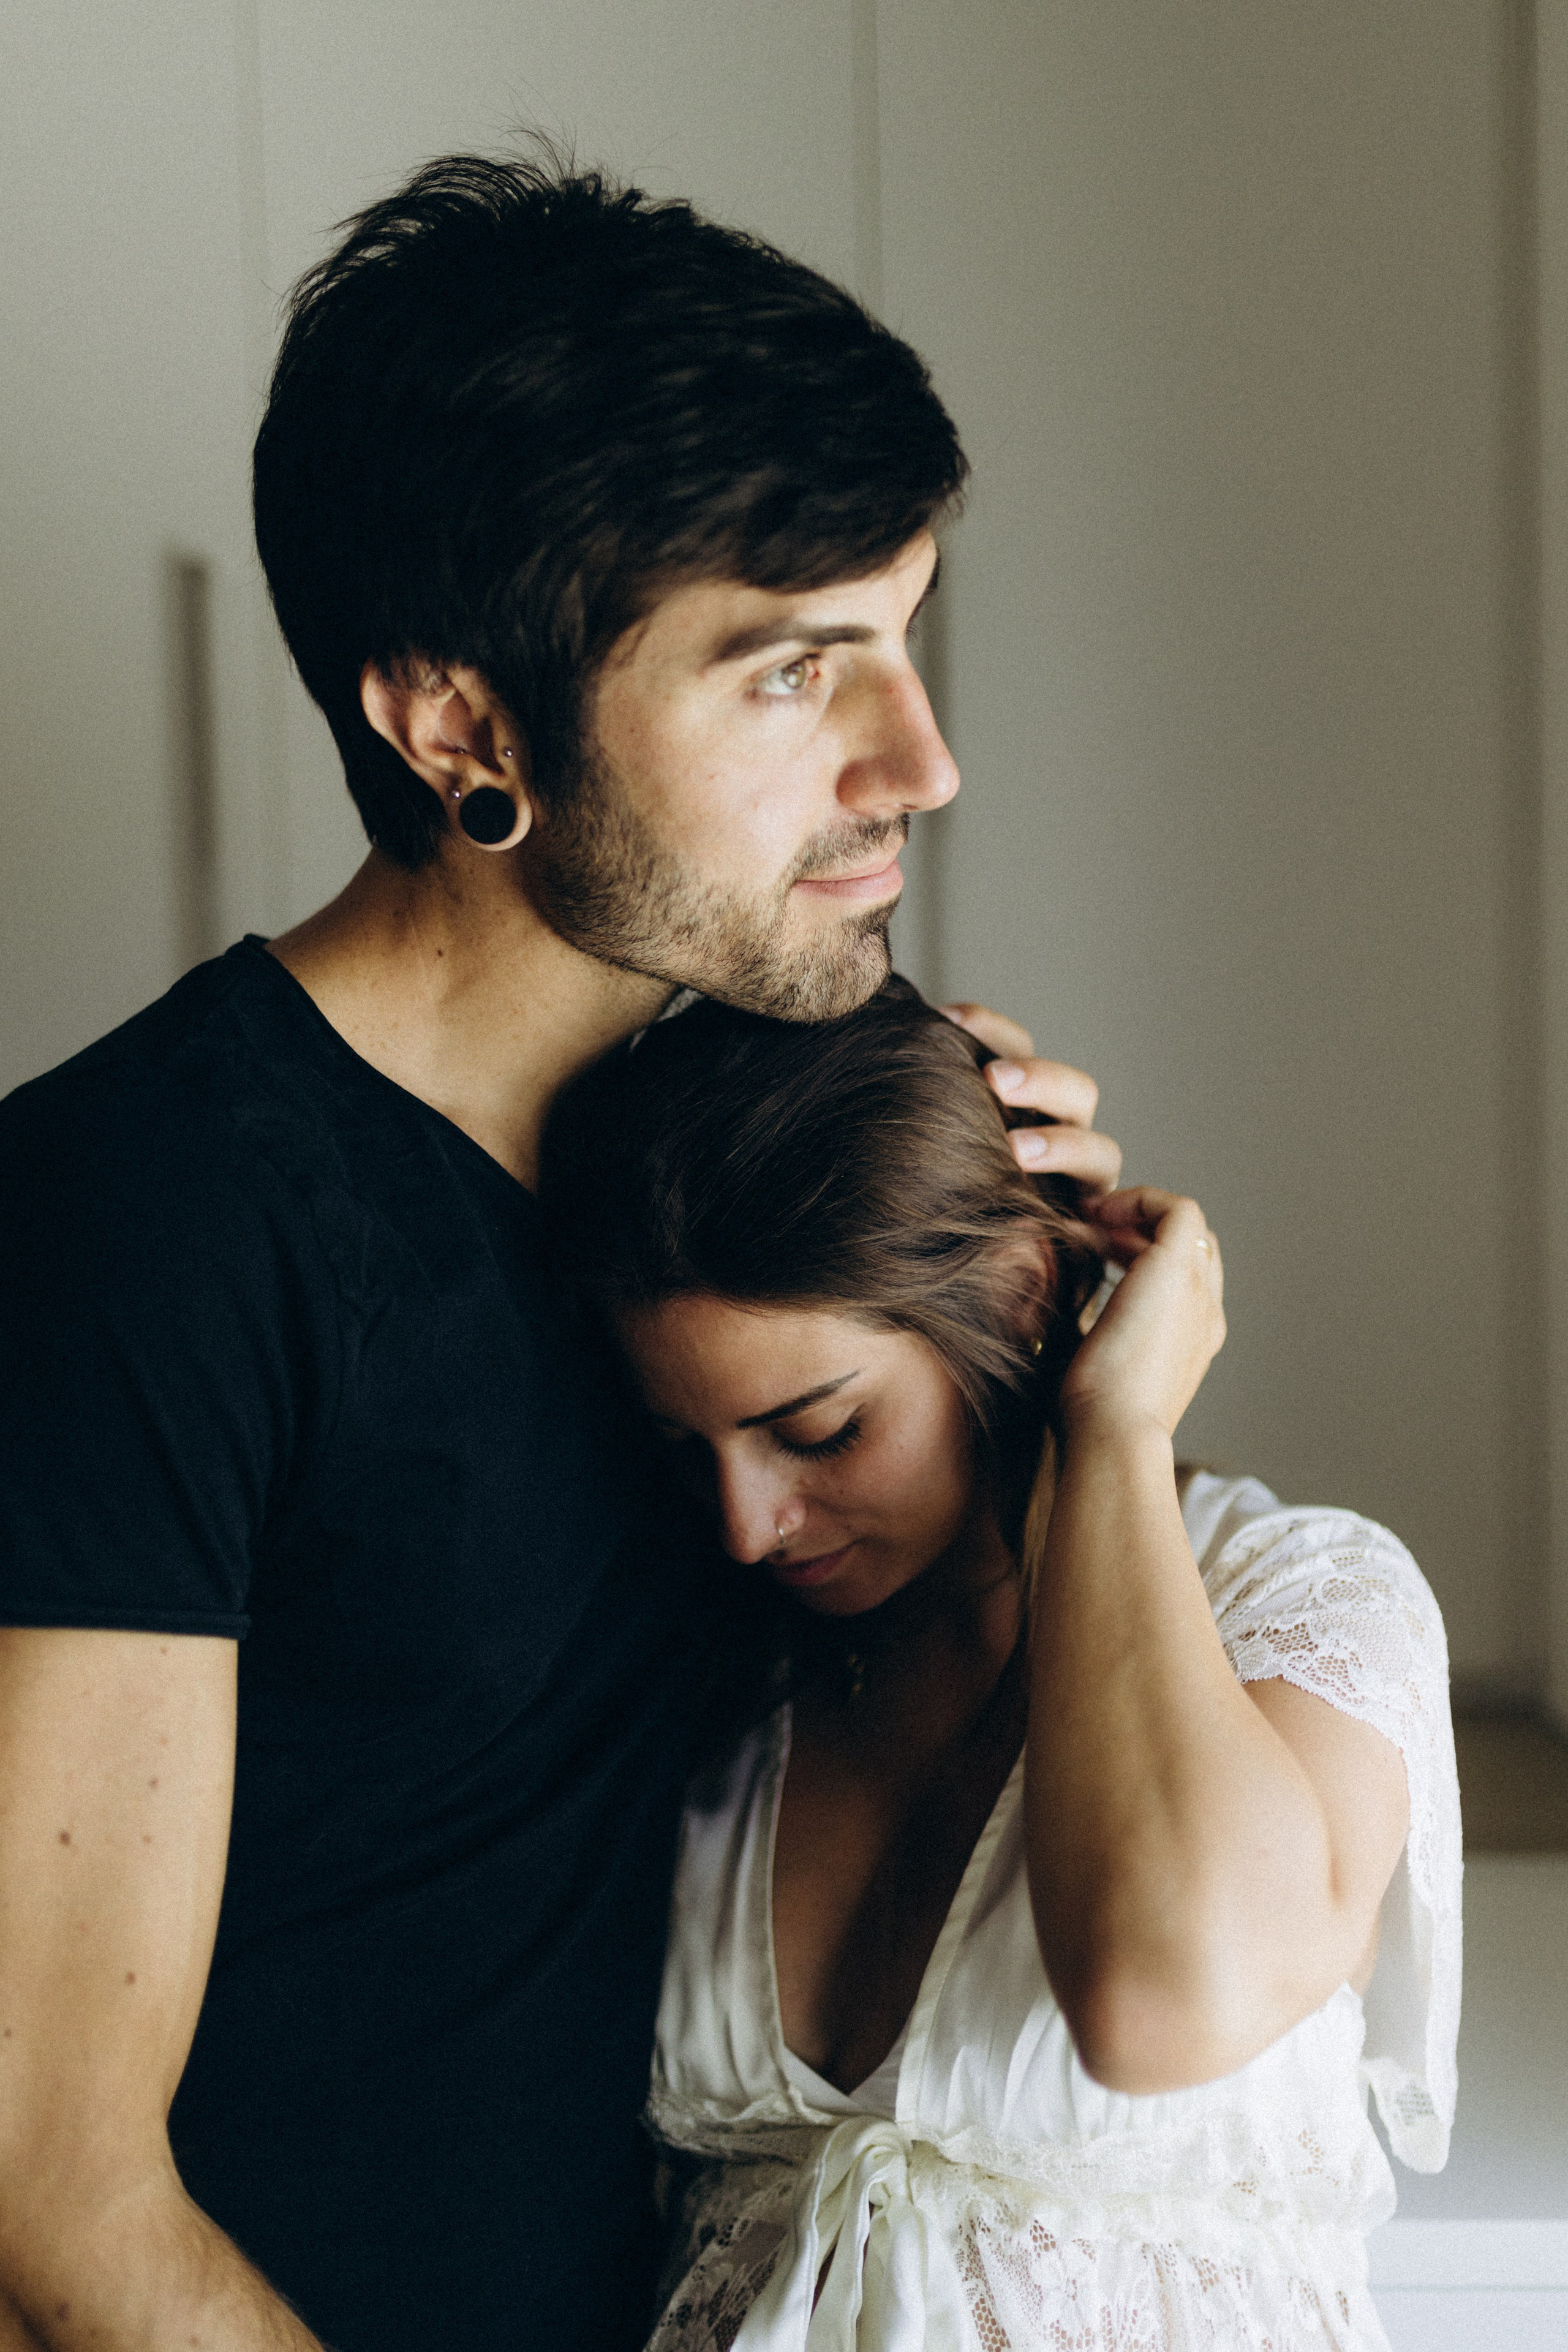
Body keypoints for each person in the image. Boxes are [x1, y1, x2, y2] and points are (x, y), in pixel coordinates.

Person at [0, 153, 1122, 2352]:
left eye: (902, 640)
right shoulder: (136, 1221)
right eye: (797, 677)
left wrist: (1038, 1344)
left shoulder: (747, 1157)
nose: (926, 761)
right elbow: (51, 2201)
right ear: (460, 728)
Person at [538, 980, 1461, 2352]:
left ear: (1022, 1294)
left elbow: (1162, 1999)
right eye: (691, 1450)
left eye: (821, 1430)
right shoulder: (718, 1679)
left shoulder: (1297, 1598)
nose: (743, 1524)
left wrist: (1117, 1427)